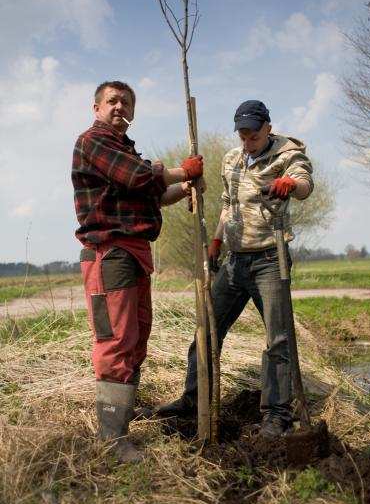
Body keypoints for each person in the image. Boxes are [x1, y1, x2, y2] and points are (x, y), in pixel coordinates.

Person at [157, 100, 313, 438]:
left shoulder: (289, 154)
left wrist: (291, 185)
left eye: (253, 136)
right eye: (242, 136)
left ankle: (276, 415)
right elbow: (228, 204)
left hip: (271, 260)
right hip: (235, 260)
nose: (247, 142)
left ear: (267, 129)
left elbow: (304, 185)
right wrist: (217, 241)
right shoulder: (233, 159)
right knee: (207, 329)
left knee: (278, 339)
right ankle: (193, 399)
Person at [72, 80, 203, 463]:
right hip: (109, 255)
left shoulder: (123, 150)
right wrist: (182, 170)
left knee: (135, 337)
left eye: (126, 102)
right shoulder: (94, 141)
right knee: (115, 342)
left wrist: (187, 187)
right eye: (112, 101)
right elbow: (140, 178)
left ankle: (122, 419)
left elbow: (151, 194)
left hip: (133, 253)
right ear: (96, 107)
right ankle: (111, 441)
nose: (119, 107)